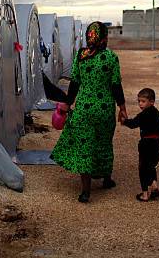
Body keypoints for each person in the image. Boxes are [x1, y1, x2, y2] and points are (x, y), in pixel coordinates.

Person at [50, 22, 128, 203]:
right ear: (104, 37)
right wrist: (122, 107)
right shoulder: (111, 57)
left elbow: (74, 83)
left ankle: (85, 192)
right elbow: (116, 85)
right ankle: (106, 179)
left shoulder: (81, 56)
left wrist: (68, 104)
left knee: (85, 147)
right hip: (104, 109)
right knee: (104, 143)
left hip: (84, 109)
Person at [121, 88, 159, 202]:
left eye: (143, 101)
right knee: (151, 166)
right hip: (156, 143)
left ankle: (145, 194)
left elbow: (133, 124)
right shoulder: (157, 114)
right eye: (139, 101)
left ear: (151, 102)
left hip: (146, 144)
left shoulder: (143, 115)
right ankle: (154, 185)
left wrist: (124, 121)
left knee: (143, 168)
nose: (140, 104)